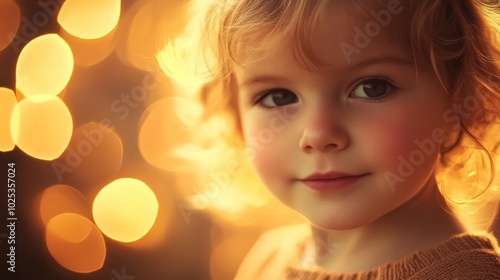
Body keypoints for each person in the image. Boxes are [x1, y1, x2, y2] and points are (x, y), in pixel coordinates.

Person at [159, 0, 500, 279]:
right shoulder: (268, 261)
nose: (318, 135)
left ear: (460, 97)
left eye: (371, 88)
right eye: (278, 97)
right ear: (235, 119)